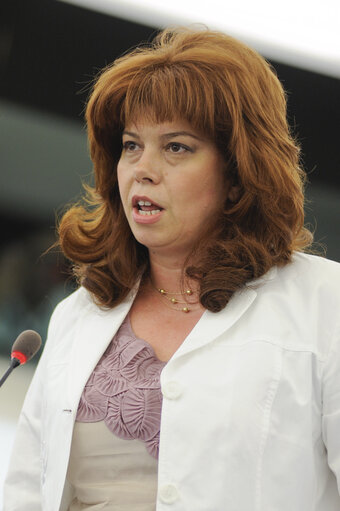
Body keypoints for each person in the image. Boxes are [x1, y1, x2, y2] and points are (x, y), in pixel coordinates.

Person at [4, 26, 340, 511]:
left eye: (177, 147)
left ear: (238, 173)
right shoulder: (79, 315)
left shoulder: (324, 303)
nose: (143, 168)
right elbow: (26, 493)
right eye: (131, 145)